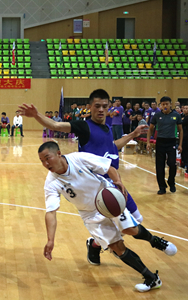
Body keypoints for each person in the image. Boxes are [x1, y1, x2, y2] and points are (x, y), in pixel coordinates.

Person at [38, 141, 177, 292]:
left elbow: (108, 167)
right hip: (89, 214)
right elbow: (51, 212)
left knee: (130, 229)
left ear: (58, 154)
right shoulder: (50, 182)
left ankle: (156, 242)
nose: (45, 164)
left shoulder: (78, 158)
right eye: (42, 161)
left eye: (47, 158)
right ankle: (151, 278)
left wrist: (117, 181)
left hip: (106, 196)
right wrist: (50, 240)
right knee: (117, 248)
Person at [18, 89, 146, 237]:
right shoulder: (84, 126)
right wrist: (36, 115)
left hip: (114, 180)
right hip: (99, 186)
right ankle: (97, 244)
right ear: (89, 107)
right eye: (97, 106)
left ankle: (95, 244)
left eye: (104, 106)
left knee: (136, 219)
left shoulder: (107, 127)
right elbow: (56, 126)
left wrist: (132, 135)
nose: (101, 110)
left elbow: (113, 146)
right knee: (123, 227)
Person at [147, 97, 183, 194]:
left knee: (172, 164)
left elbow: (180, 130)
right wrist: (148, 142)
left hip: (171, 142)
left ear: (170, 104)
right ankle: (162, 187)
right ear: (161, 105)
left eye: (167, 104)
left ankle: (171, 182)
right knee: (160, 166)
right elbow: (150, 129)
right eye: (163, 104)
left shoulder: (176, 115)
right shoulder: (157, 115)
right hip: (160, 142)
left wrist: (180, 144)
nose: (165, 106)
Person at [181, 105, 188, 172]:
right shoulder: (183, 116)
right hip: (183, 136)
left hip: (186, 137)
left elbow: (182, 122)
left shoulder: (186, 118)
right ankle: (184, 163)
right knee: (184, 151)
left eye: (187, 108)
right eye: (184, 108)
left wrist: (182, 120)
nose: (185, 110)